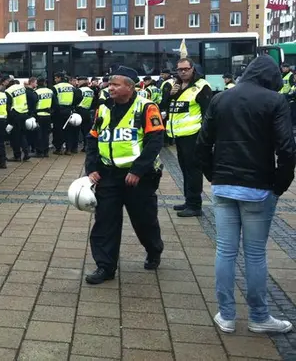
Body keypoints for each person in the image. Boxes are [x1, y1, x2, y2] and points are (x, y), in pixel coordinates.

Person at [196, 55, 296, 334]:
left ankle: (226, 315)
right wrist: (279, 185)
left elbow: (202, 144)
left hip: (224, 185)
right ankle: (259, 316)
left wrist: (212, 176)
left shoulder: (220, 98)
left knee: (225, 251)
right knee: (254, 254)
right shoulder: (275, 101)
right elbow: (287, 150)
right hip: (258, 188)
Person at [85, 66, 165, 285]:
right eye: (110, 84)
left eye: (116, 84)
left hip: (139, 178)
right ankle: (105, 267)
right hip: (108, 175)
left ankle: (153, 249)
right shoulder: (103, 108)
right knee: (105, 222)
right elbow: (92, 139)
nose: (110, 88)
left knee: (144, 220)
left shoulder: (147, 108)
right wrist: (91, 167)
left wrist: (137, 170)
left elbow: (155, 142)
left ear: (130, 87)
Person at [167, 58, 212, 217]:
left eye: (186, 69)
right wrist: (170, 94)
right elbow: (168, 106)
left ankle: (195, 205)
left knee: (193, 170)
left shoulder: (201, 86)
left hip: (193, 135)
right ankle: (189, 200)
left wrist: (205, 136)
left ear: (193, 68)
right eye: (179, 69)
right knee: (185, 170)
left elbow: (208, 113)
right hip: (179, 135)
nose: (183, 72)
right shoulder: (176, 86)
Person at [34, 77, 53, 158]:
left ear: (37, 83)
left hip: (39, 116)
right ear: (45, 83)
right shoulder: (50, 91)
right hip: (47, 116)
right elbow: (55, 104)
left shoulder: (35, 92)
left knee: (39, 134)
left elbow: (33, 105)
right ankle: (46, 151)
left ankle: (39, 152)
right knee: (46, 134)